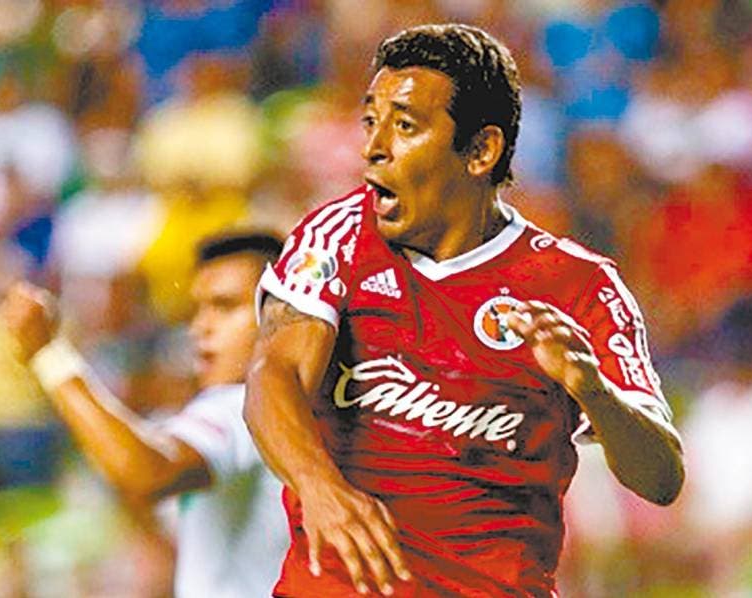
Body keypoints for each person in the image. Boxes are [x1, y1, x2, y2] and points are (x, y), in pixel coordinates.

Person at [244, 24, 685, 597]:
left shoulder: (580, 287)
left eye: (405, 126)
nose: (374, 147)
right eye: (371, 121)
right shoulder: (339, 236)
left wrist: (595, 393)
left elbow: (661, 477)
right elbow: (273, 375)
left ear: (481, 151)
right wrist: (319, 485)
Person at [0, 231, 290, 597]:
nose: (200, 328)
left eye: (225, 306)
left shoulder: (243, 405)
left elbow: (144, 472)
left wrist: (48, 353)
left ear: (283, 317)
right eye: (197, 310)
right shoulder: (298, 410)